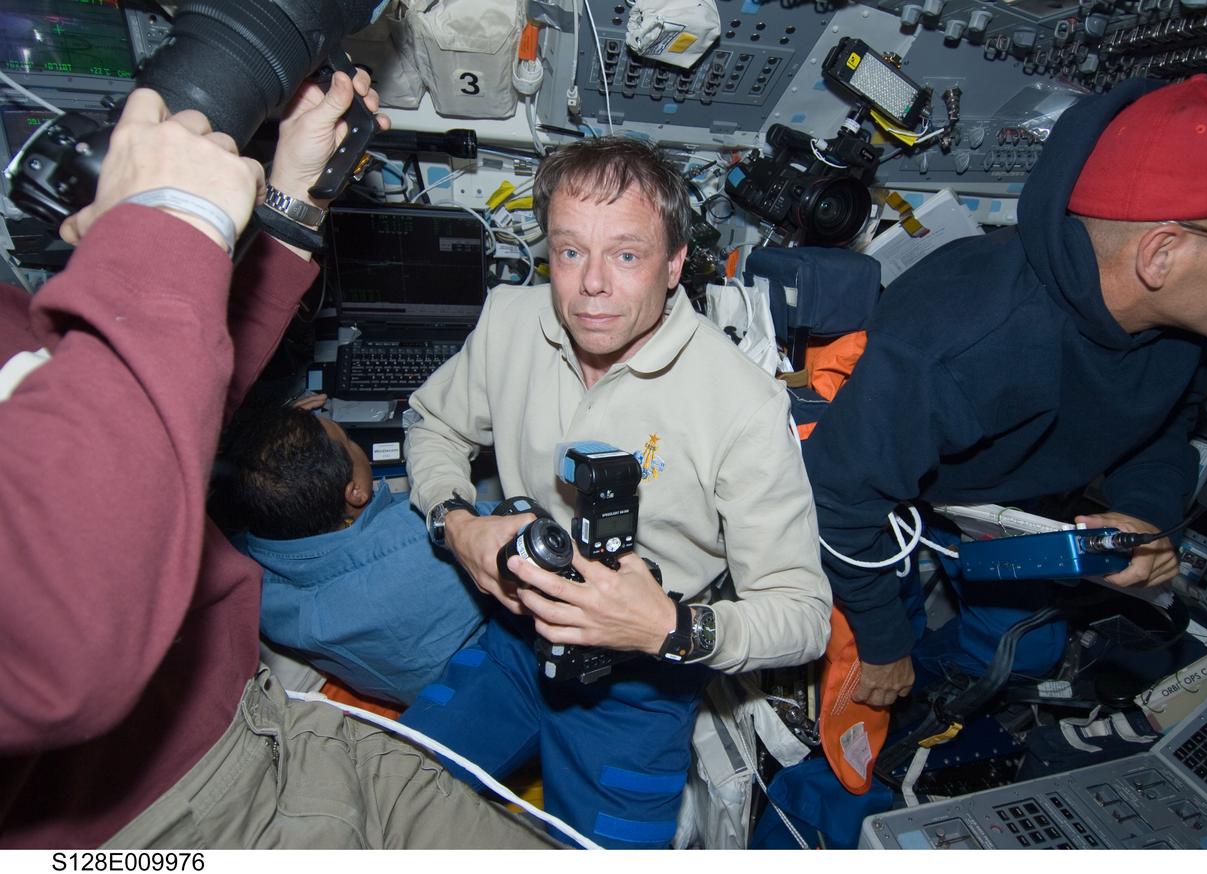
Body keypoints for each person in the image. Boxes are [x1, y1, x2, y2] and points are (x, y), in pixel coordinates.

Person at [0, 74, 556, 849]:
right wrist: (170, 226)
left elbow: (172, 408)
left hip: (274, 732)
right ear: (360, 491)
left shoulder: (268, 582)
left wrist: (297, 201)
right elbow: (64, 635)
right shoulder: (417, 553)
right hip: (180, 821)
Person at [400, 137, 832, 848]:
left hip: (641, 687)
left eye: (626, 255)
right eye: (570, 252)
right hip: (514, 640)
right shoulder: (509, 319)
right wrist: (456, 521)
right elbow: (435, 427)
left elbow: (803, 616)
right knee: (389, 788)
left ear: (673, 266)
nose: (591, 285)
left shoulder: (741, 403)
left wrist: (668, 629)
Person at [803, 74, 1207, 708]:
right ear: (1161, 255)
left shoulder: (1189, 325)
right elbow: (836, 504)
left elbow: (1163, 426)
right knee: (890, 653)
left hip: (1011, 504)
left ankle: (949, 704)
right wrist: (884, 646)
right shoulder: (963, 342)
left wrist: (1147, 515)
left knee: (1023, 656)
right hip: (890, 493)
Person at [224, 399, 486, 706]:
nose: (352, 441)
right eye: (348, 440)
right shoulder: (424, 543)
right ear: (356, 491)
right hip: (480, 671)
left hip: (405, 689)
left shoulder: (247, 576)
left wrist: (276, 433)